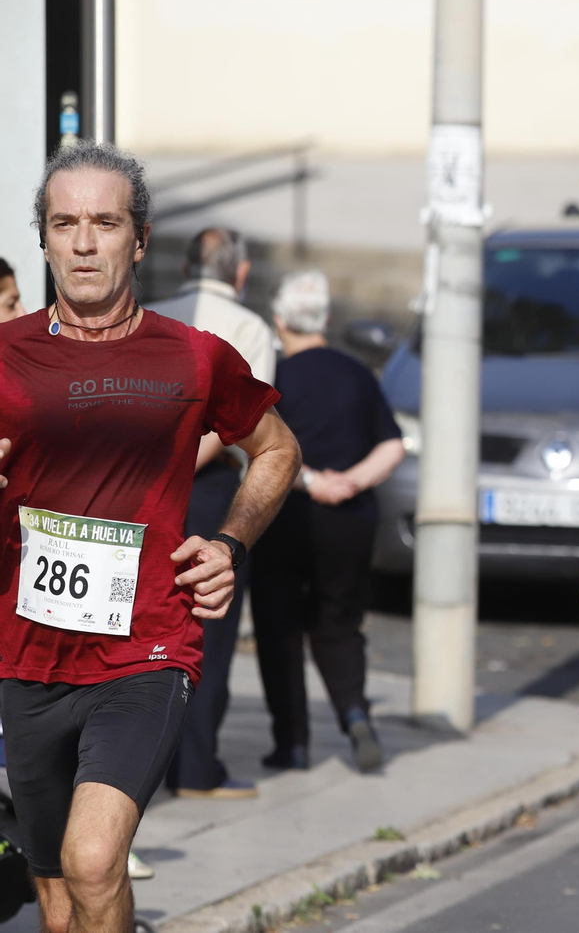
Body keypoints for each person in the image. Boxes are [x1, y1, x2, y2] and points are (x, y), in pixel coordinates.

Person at [0, 141, 298, 933]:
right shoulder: (3, 356)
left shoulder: (194, 357)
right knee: (60, 899)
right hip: (24, 654)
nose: (85, 242)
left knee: (95, 859)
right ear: (45, 237)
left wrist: (230, 542)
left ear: (140, 238)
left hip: (146, 649)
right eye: (66, 223)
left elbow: (277, 450)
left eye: (106, 222)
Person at [251, 271, 405, 773]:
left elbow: (259, 448)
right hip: (351, 521)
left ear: (279, 322)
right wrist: (351, 483)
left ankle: (291, 743)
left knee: (279, 628)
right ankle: (356, 714)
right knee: (339, 623)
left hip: (286, 516)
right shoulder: (358, 372)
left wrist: (313, 482)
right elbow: (393, 445)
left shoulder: (273, 376)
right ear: (327, 321)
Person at [146, 227, 276, 799]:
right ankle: (197, 769)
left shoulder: (151, 315)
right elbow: (242, 433)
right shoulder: (250, 328)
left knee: (146, 622)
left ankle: (146, 767)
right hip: (208, 491)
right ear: (240, 274)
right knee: (209, 630)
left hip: (141, 485)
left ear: (183, 269)